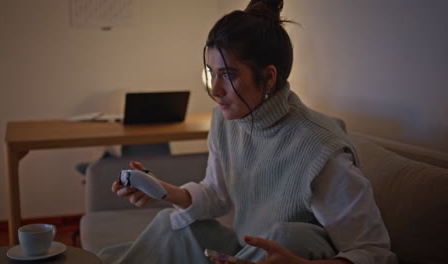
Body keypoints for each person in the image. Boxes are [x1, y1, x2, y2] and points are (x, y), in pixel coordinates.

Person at [100, 0, 398, 263]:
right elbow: (216, 195)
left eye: (228, 75)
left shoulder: (321, 149)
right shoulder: (224, 122)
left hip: (295, 255)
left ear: (268, 77)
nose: (215, 90)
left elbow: (374, 251)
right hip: (249, 251)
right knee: (172, 223)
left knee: (286, 236)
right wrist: (163, 191)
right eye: (212, 73)